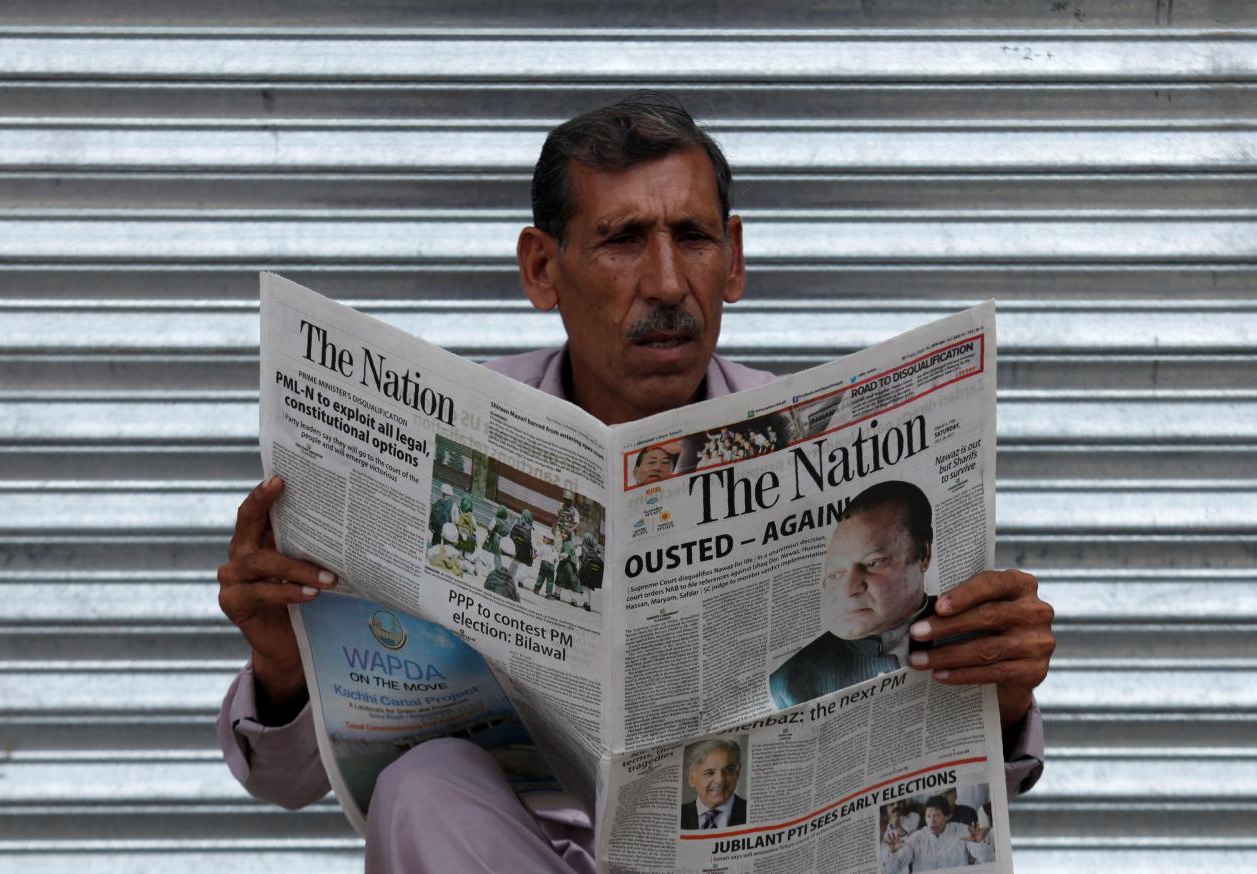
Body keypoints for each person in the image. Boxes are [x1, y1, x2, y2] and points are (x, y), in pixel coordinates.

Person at [216, 91, 1053, 874]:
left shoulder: (834, 456)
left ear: (733, 261)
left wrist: (1002, 695)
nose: (665, 284)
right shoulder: (439, 437)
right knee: (420, 786)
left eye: (692, 238)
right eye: (622, 240)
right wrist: (285, 665)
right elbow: (284, 784)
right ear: (543, 269)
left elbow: (964, 791)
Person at [768, 479, 934, 708]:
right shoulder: (792, 681)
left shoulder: (976, 627)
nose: (849, 589)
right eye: (835, 574)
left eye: (872, 563)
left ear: (923, 554)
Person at [883, 796, 972, 873]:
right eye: (928, 816)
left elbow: (984, 858)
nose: (931, 821)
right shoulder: (916, 837)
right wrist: (894, 853)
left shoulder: (961, 830)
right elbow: (891, 871)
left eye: (937, 815)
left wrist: (978, 843)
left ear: (947, 816)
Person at [678, 738, 747, 830]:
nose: (720, 780)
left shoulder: (751, 810)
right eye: (709, 773)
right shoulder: (678, 815)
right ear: (692, 779)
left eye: (728, 770)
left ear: (737, 773)